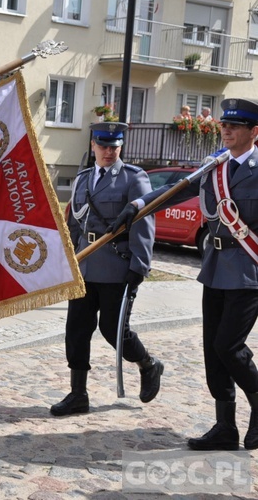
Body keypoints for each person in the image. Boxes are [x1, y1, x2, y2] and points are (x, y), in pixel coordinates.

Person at [110, 98, 258, 451]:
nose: (226, 130)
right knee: (212, 351)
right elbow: (174, 191)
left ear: (254, 132)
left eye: (235, 126)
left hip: (251, 270)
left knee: (229, 346)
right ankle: (225, 427)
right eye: (224, 124)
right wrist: (137, 206)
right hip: (215, 268)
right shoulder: (213, 167)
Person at [51, 122, 164, 416]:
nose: (108, 152)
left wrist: (139, 265)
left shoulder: (133, 178)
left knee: (113, 330)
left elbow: (143, 221)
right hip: (84, 265)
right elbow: (75, 224)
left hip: (116, 266)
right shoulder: (82, 178)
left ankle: (148, 364)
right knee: (76, 330)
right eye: (103, 146)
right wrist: (69, 258)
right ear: (93, 146)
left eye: (114, 146)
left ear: (121, 147)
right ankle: (78, 394)